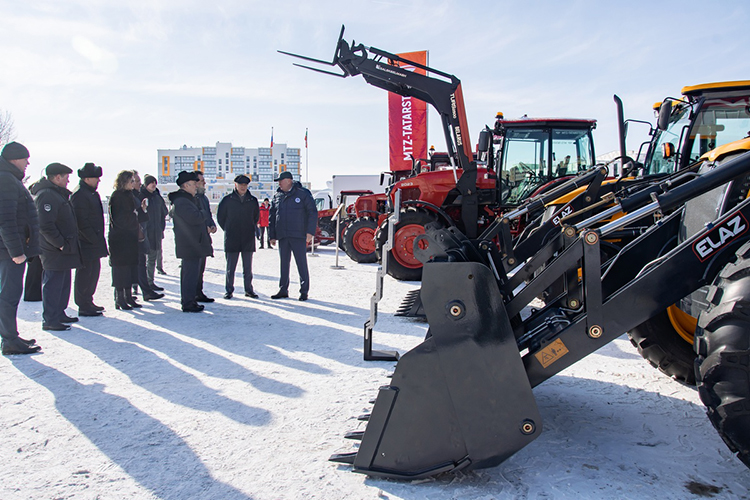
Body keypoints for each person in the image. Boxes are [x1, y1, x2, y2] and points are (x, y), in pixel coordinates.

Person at [0, 142, 41, 355]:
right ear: (14, 159)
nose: (27, 163)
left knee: (10, 294)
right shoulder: (6, 180)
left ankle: (11, 336)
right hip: (9, 252)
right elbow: (5, 220)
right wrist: (16, 251)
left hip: (10, 250)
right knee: (8, 295)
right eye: (25, 159)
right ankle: (8, 340)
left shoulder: (10, 179)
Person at [32, 162, 82, 331]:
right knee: (53, 283)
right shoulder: (47, 195)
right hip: (54, 249)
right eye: (66, 178)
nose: (68, 181)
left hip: (64, 248)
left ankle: (59, 313)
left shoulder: (57, 194)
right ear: (57, 177)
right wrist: (60, 243)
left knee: (62, 282)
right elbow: (45, 225)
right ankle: (50, 318)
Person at [269, 171, 317, 301]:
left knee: (301, 263)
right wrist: (272, 235)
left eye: (281, 180)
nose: (279, 183)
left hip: (298, 234)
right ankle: (283, 289)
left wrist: (310, 232)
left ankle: (304, 291)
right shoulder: (277, 196)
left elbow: (312, 213)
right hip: (283, 235)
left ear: (289, 180)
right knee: (284, 264)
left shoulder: (302, 193)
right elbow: (272, 216)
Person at [169, 171, 213, 312]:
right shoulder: (182, 201)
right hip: (189, 244)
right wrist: (203, 213)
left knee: (192, 274)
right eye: (194, 184)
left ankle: (191, 300)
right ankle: (188, 302)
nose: (196, 186)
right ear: (186, 185)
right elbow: (195, 218)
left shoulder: (187, 199)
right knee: (189, 274)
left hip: (193, 243)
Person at [70, 162, 108, 317]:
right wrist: (93, 238)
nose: (99, 181)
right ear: (86, 179)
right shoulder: (79, 195)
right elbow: (81, 222)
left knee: (94, 272)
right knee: (85, 274)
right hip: (86, 243)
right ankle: (83, 304)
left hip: (94, 241)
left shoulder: (91, 193)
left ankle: (88, 300)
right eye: (96, 178)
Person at [217, 175, 259, 299]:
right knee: (231, 267)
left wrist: (250, 228)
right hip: (232, 237)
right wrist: (228, 228)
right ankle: (229, 290)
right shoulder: (227, 200)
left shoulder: (252, 200)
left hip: (247, 238)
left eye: (245, 185)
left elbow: (255, 217)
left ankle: (248, 289)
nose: (243, 187)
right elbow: (221, 217)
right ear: (235, 185)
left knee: (248, 268)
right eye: (240, 185)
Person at [108, 170, 141, 310]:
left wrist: (138, 213)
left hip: (130, 237)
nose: (134, 183)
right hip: (120, 238)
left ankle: (128, 296)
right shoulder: (117, 196)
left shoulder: (130, 195)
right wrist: (134, 217)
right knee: (121, 269)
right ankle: (119, 298)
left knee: (130, 268)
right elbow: (119, 219)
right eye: (131, 181)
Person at [131, 171, 163, 301]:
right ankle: (133, 289)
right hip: (140, 234)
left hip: (153, 231)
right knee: (137, 262)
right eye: (137, 181)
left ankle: (148, 285)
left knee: (149, 259)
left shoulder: (154, 196)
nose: (153, 185)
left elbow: (162, 210)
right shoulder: (134, 197)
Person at [140, 175, 168, 289]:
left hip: (156, 231)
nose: (153, 185)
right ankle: (137, 285)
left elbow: (164, 211)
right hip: (145, 231)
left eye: (154, 182)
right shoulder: (141, 196)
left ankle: (150, 282)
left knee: (153, 257)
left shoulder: (157, 197)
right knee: (142, 260)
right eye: (151, 183)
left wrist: (161, 226)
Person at [194, 171, 216, 303]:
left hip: (204, 239)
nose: (204, 183)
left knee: (201, 268)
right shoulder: (192, 198)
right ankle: (192, 294)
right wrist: (204, 228)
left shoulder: (204, 198)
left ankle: (199, 292)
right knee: (193, 270)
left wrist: (212, 225)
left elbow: (208, 215)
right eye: (202, 181)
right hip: (195, 240)